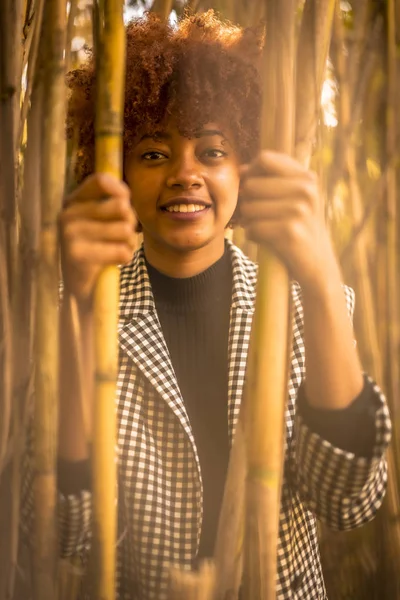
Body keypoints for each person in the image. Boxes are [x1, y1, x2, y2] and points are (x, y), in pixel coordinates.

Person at [21, 10, 391, 600]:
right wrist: (79, 309)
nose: (185, 174)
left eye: (213, 151)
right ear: (113, 169)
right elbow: (67, 536)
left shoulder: (305, 306)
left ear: (245, 167)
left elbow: (351, 499)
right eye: (152, 154)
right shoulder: (77, 318)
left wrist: (321, 278)